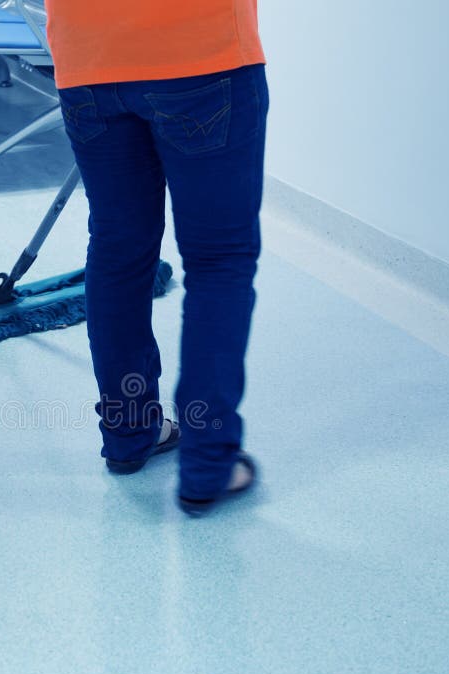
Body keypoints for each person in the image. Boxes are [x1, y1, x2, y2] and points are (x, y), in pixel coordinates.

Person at [44, 0, 269, 513]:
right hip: (201, 54)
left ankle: (129, 432)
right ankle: (208, 462)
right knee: (219, 262)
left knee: (118, 251)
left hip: (87, 58)